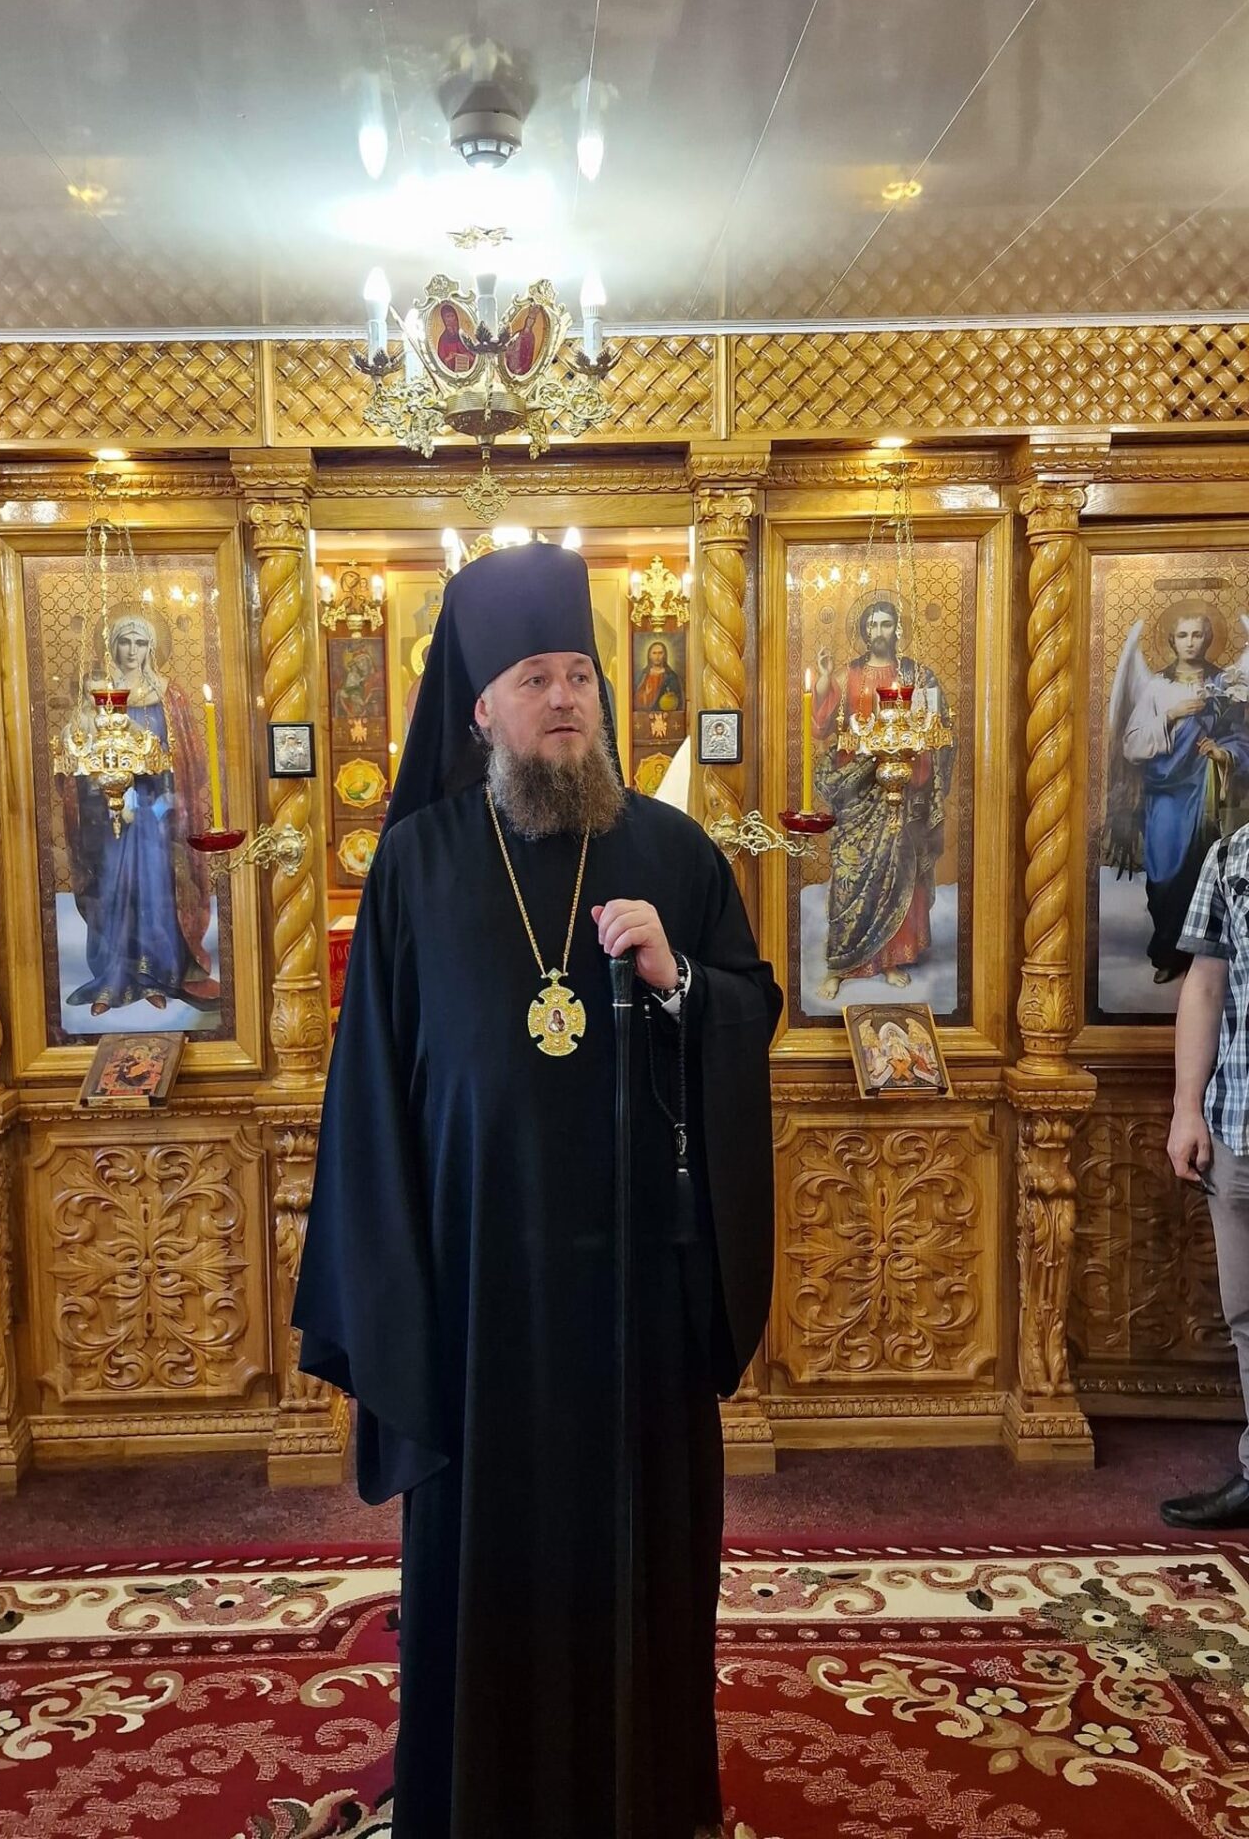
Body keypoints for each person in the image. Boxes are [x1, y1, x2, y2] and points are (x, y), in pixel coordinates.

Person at [293, 544, 781, 1839]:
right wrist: (396, 1297)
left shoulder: (674, 853)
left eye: (580, 674)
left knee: (639, 1561)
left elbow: (751, 1011)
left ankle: (642, 1803)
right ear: (479, 709)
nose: (565, 698)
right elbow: (372, 1094)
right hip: (478, 1300)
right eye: (534, 679)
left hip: (638, 1302)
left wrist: (681, 982)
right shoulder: (414, 866)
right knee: (486, 1569)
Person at [61, 614, 217, 1017]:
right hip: (109, 811)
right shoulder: (98, 692)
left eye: (140, 642)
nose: (132, 650)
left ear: (152, 647)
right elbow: (77, 748)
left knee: (153, 889)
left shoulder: (169, 694)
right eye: (124, 642)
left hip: (153, 810)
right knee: (113, 889)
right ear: (112, 645)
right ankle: (115, 977)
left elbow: (187, 756)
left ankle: (156, 975)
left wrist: (166, 792)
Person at [1165, 824, 1249, 1527]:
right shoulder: (1233, 854)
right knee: (1247, 1313)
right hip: (1238, 1125)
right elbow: (1205, 982)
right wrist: (1186, 1109)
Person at [811, 598, 954, 998]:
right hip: (857, 793)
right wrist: (824, 680)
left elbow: (937, 729)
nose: (878, 632)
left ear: (897, 629)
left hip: (902, 789)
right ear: (863, 630)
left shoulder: (917, 675)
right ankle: (840, 964)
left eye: (886, 624)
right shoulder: (848, 675)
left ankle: (889, 960)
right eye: (872, 624)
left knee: (897, 871)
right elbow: (823, 727)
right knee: (850, 875)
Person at [1110, 608, 1249, 984]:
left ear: (1209, 639)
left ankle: (1199, 956)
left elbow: (1240, 739)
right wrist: (1171, 715)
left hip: (1204, 793)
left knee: (1201, 870)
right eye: (1183, 635)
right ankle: (1168, 950)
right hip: (1165, 793)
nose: (1190, 642)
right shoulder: (1157, 687)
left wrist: (1222, 753)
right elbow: (1132, 744)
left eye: (1197, 635)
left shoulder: (1225, 684)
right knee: (1163, 876)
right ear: (1171, 641)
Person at [635, 637, 685, 713]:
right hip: (643, 715)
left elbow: (678, 701)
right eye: (654, 653)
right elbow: (635, 698)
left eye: (660, 653)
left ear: (664, 655)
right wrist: (646, 694)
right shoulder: (642, 675)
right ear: (649, 655)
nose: (657, 656)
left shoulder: (671, 677)